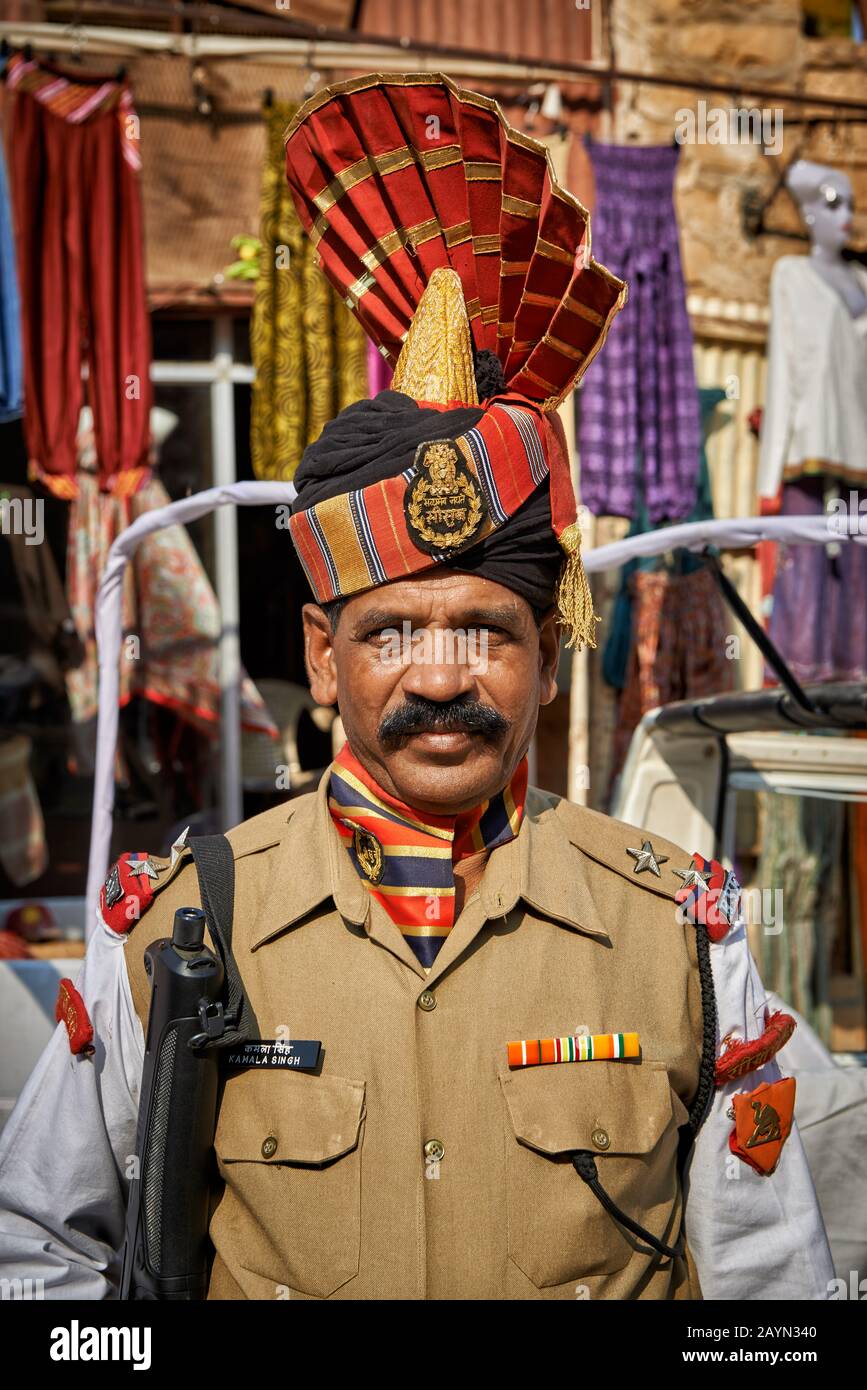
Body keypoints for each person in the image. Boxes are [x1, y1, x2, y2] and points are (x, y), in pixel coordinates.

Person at [0, 73, 833, 1301]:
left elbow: (774, 1296)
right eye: (392, 633)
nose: (444, 675)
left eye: (487, 632)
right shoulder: (176, 931)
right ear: (325, 658)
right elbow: (38, 1256)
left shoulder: (681, 935)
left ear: (549, 657)